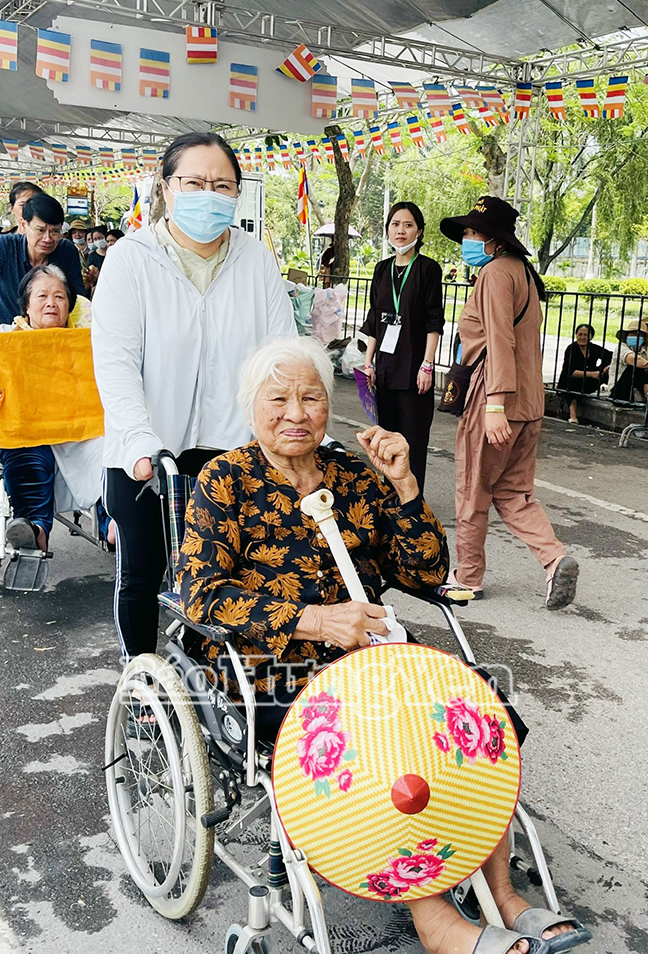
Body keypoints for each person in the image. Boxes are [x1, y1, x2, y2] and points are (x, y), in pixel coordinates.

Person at [177, 336, 590, 954]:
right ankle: (435, 918)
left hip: (373, 654)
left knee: (476, 726)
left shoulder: (350, 474)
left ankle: (502, 893)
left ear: (329, 404)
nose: (296, 413)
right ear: (251, 405)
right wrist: (316, 621)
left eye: (311, 397)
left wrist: (402, 485)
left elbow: (424, 572)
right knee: (391, 747)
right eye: (280, 398)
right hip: (274, 660)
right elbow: (202, 596)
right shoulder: (224, 481)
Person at [91, 130, 296, 660]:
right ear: (165, 186)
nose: (210, 193)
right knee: (142, 574)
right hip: (146, 450)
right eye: (194, 182)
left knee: (230, 581)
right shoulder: (129, 259)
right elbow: (115, 364)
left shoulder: (255, 259)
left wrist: (284, 430)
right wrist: (138, 439)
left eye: (222, 185)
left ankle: (214, 683)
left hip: (231, 448)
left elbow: (278, 355)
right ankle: (139, 682)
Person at [441, 196, 578, 609]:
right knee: (514, 494)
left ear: (494, 241)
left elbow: (499, 339)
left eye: (471, 232)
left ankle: (467, 578)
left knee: (473, 491)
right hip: (529, 402)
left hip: (494, 398)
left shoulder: (495, 275)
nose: (465, 239)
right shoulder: (521, 272)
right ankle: (555, 559)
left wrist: (494, 405)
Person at [0, 266, 104, 551]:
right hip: (26, 428)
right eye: (42, 296)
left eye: (60, 297)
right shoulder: (4, 337)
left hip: (81, 431)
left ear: (69, 304)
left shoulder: (86, 340)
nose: (51, 303)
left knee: (113, 454)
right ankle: (34, 529)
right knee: (29, 460)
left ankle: (115, 527)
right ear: (26, 304)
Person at [359, 201, 444, 489]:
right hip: (385, 371)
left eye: (408, 225)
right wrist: (368, 364)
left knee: (412, 440)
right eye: (395, 224)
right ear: (387, 230)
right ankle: (390, 497)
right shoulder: (382, 270)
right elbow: (374, 320)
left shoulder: (428, 269)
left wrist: (427, 365)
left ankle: (412, 501)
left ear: (419, 231)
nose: (401, 231)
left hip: (413, 372)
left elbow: (434, 322)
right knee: (386, 439)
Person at [0, 193, 85, 338]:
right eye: (40, 230)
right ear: (24, 224)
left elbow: (79, 299)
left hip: (55, 337)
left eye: (55, 232)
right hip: (6, 336)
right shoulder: (3, 246)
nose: (47, 239)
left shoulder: (66, 250)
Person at [556, 323, 611, 423]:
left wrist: (605, 367)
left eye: (585, 335)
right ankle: (573, 415)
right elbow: (570, 371)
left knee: (608, 373)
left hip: (589, 381)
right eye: (580, 334)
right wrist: (592, 374)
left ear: (591, 337)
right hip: (571, 381)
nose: (582, 337)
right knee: (572, 383)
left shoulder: (593, 348)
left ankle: (613, 393)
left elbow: (611, 356)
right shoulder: (571, 349)